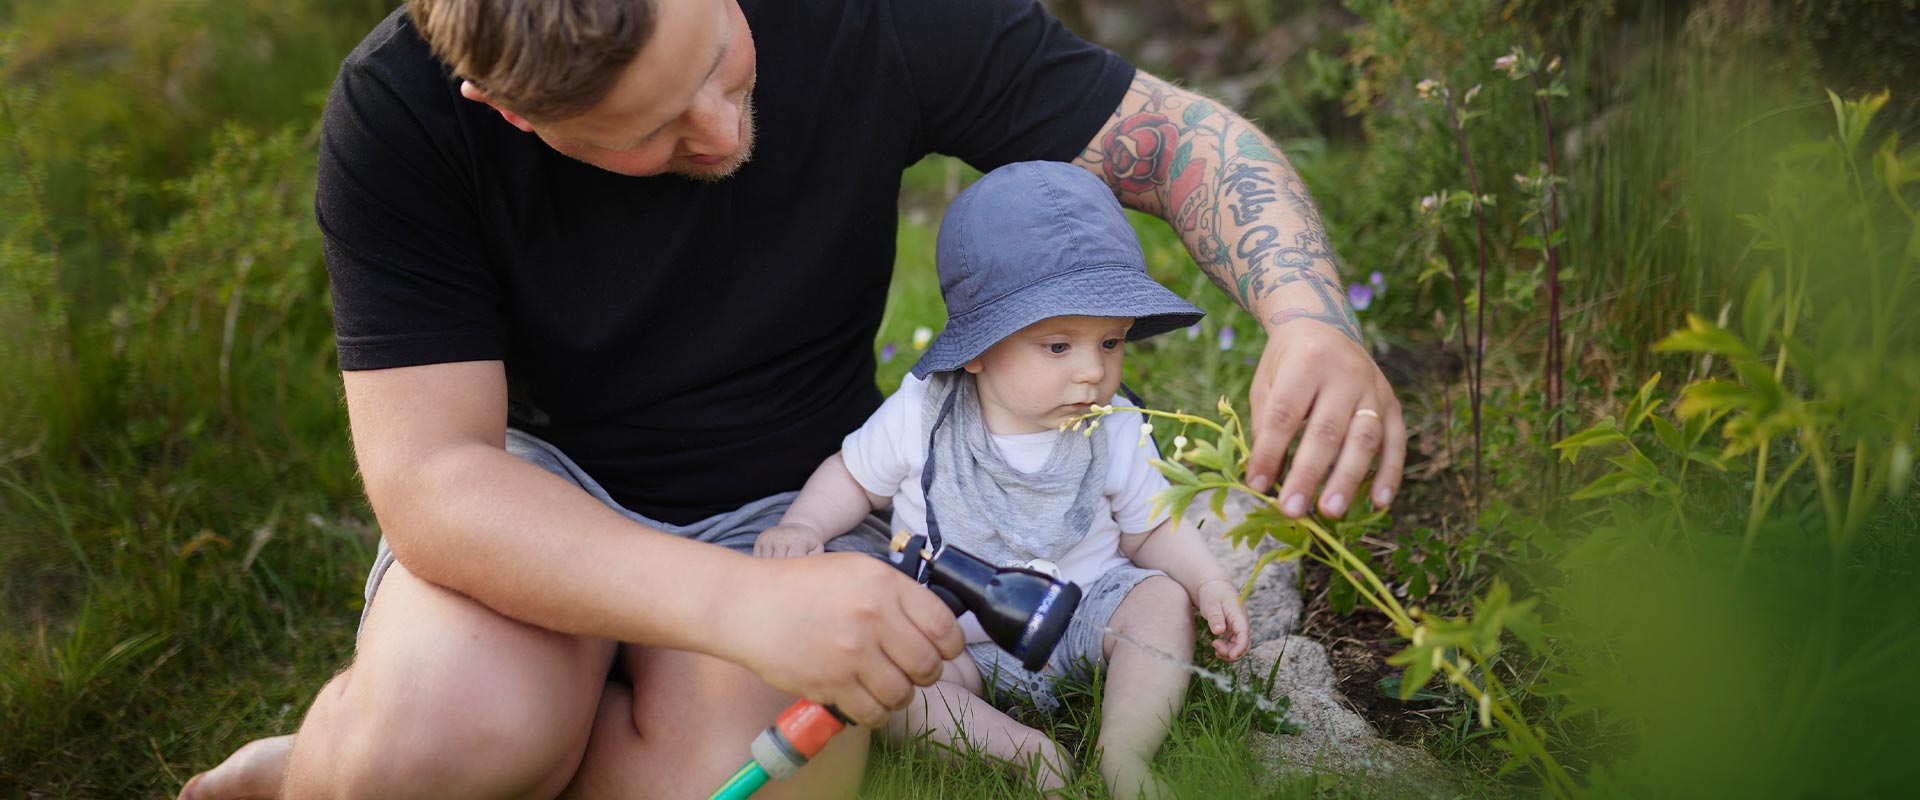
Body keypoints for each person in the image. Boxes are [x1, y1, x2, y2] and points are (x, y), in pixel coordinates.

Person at [180, 0, 1405, 797]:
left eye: (719, 61)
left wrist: (1308, 313)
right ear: (507, 111)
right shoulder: (395, 114)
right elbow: (435, 477)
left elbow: (1177, 138)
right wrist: (730, 604)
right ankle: (347, 755)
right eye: (650, 133)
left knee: (741, 782)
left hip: (784, 499)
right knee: (454, 736)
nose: (721, 131)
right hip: (536, 495)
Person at [752, 160, 1251, 798]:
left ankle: (1126, 752)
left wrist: (1205, 579)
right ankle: (1022, 753)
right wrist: (804, 524)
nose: (1091, 374)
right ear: (979, 350)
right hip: (958, 636)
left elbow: (1150, 525)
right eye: (1058, 346)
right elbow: (854, 478)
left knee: (1158, 602)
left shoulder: (1116, 420)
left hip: (1087, 614)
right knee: (893, 680)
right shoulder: (923, 412)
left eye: (1111, 343)